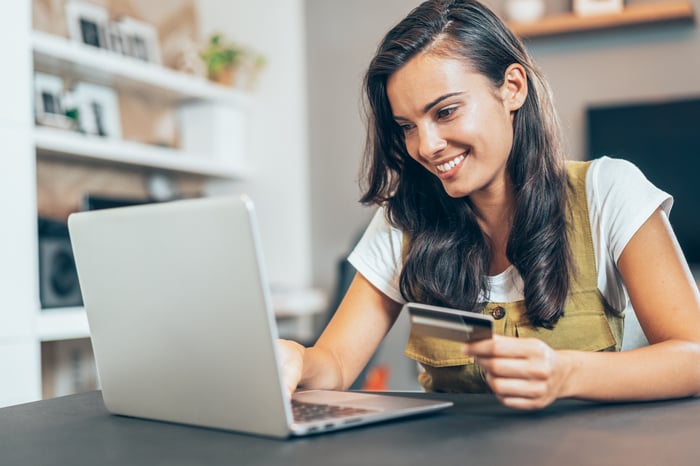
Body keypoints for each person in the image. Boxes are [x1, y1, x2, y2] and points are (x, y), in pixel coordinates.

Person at [279, 0, 700, 409]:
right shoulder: (402, 221)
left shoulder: (608, 190)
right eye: (407, 126)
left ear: (512, 88)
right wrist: (298, 358)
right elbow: (334, 362)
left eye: (445, 112)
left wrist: (567, 373)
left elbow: (693, 356)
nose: (426, 147)